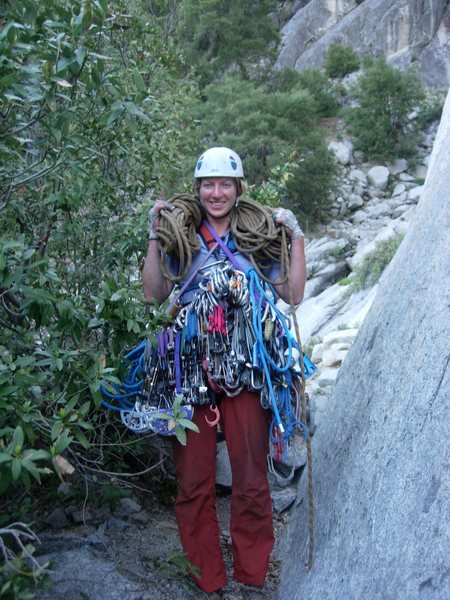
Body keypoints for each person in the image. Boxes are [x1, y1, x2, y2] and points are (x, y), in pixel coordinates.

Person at [142, 147, 307, 595]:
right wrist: (155, 236)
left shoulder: (256, 234)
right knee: (193, 479)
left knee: (251, 474)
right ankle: (207, 581)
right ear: (197, 189)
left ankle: (252, 577)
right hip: (188, 365)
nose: (216, 193)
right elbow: (155, 295)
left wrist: (296, 239)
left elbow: (291, 294)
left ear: (238, 189)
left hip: (246, 364)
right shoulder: (182, 234)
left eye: (225, 184)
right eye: (208, 184)